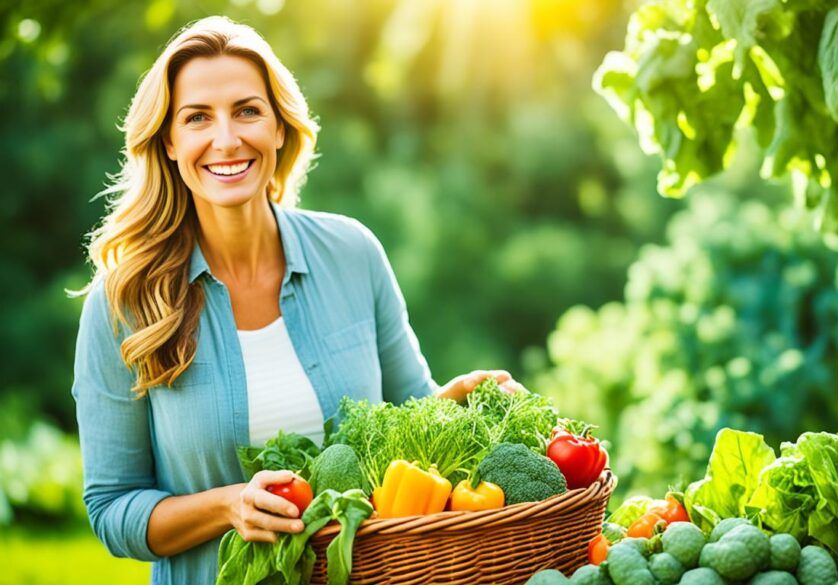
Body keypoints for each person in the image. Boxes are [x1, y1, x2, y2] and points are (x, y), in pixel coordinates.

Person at [72, 16, 522, 585]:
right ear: (169, 142)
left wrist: (455, 400)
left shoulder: (353, 253)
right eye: (197, 118)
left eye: (247, 110)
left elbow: (412, 418)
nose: (227, 139)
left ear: (280, 128)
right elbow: (113, 508)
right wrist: (227, 506)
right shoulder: (125, 303)